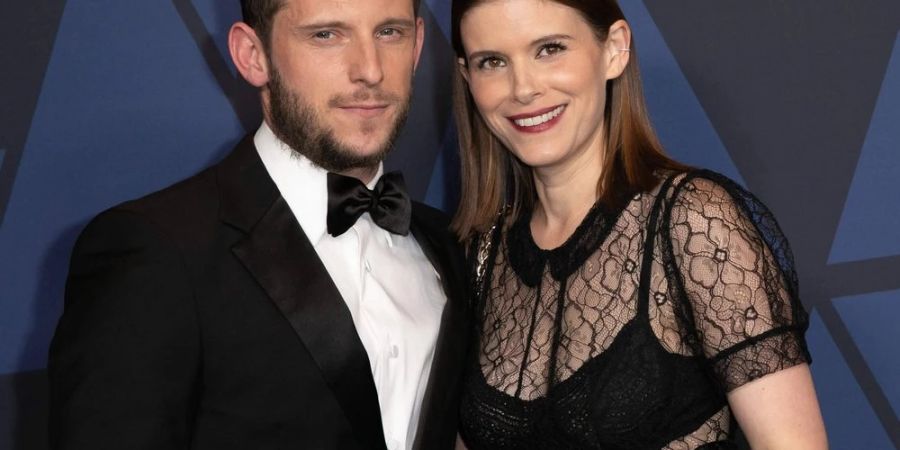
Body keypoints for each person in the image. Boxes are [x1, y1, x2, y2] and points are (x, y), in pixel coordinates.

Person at [48, 0, 467, 449]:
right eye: (326, 35)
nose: (370, 70)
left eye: (389, 33)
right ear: (253, 55)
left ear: (419, 44)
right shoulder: (155, 252)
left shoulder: (450, 244)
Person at [450, 0, 828, 449]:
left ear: (614, 49)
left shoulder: (693, 221)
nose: (523, 88)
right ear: (467, 77)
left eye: (549, 49)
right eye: (492, 62)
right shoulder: (482, 254)